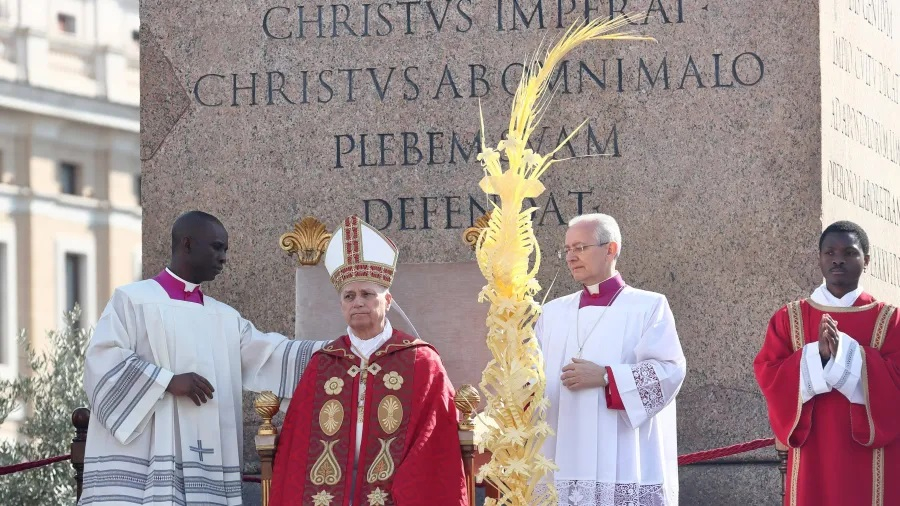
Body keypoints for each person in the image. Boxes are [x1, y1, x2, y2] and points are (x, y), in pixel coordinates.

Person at [80, 211, 326, 505]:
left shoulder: (224, 317)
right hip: (146, 464)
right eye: (216, 247)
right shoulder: (132, 300)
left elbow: (269, 354)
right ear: (187, 244)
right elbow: (102, 361)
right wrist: (167, 381)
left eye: (225, 249)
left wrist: (339, 351)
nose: (223, 257)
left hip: (206, 463)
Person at [270, 215, 467, 506]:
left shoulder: (420, 361)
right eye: (349, 296)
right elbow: (297, 449)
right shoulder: (322, 364)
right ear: (341, 306)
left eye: (367, 294)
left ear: (387, 301)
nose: (357, 302)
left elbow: (436, 440)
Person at [536, 213, 686, 505]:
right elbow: (532, 373)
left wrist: (607, 377)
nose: (570, 257)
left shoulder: (648, 306)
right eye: (567, 250)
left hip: (621, 451)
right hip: (562, 448)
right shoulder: (551, 314)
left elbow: (669, 371)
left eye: (579, 248)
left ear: (611, 249)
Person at [754, 220, 900, 506]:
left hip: (873, 453)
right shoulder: (790, 318)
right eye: (830, 253)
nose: (838, 260)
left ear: (866, 260)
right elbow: (768, 372)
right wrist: (816, 356)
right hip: (813, 447)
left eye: (849, 253)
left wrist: (847, 354)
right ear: (819, 259)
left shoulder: (890, 320)